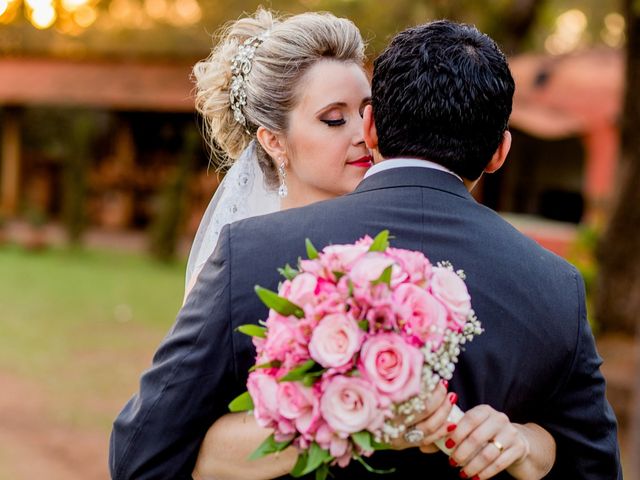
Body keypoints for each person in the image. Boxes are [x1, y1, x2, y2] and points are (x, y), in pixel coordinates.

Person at [109, 16, 620, 480]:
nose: (357, 135)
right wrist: (341, 418)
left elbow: (142, 456)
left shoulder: (250, 251)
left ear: (375, 124)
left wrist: (534, 443)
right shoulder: (557, 284)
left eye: (361, 113)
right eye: (334, 119)